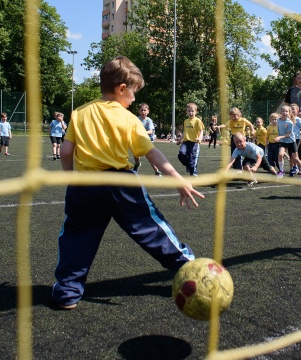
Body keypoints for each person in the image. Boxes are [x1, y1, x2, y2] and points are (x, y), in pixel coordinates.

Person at [52, 56, 204, 310]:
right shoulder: (129, 119)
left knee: (76, 237)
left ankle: (67, 291)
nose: (134, 100)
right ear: (121, 89)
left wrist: (72, 178)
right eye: (133, 93)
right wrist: (179, 181)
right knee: (151, 229)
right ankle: (189, 267)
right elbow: (152, 153)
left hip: (84, 185)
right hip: (122, 184)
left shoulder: (79, 113)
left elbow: (66, 152)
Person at [275, 105, 301, 180]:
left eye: (286, 111)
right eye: (283, 111)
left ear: (289, 113)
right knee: (280, 154)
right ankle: (281, 171)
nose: (284, 112)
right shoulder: (278, 120)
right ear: (281, 112)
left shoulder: (290, 122)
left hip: (291, 141)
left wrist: (279, 137)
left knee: (295, 158)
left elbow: (288, 134)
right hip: (283, 141)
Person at [134, 103, 162, 176]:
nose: (143, 112)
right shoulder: (137, 119)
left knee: (149, 157)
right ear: (139, 111)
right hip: (139, 139)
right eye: (141, 110)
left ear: (148, 111)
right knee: (135, 153)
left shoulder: (148, 120)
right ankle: (137, 164)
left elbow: (151, 131)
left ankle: (156, 171)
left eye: (144, 110)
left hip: (147, 140)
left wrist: (142, 132)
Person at [177, 103, 205, 176]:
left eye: (192, 111)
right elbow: (184, 132)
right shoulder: (186, 121)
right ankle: (188, 166)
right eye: (189, 111)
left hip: (194, 143)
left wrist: (199, 138)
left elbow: (201, 130)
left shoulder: (197, 121)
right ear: (186, 112)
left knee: (193, 160)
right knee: (181, 155)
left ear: (196, 111)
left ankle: (193, 174)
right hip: (185, 143)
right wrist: (180, 140)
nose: (190, 113)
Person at [289, 103, 301, 176]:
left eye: (293, 109)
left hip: (296, 138)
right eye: (290, 109)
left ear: (297, 111)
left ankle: (296, 167)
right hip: (289, 139)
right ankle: (292, 168)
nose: (292, 111)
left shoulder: (298, 119)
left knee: (294, 155)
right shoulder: (288, 119)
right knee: (291, 155)